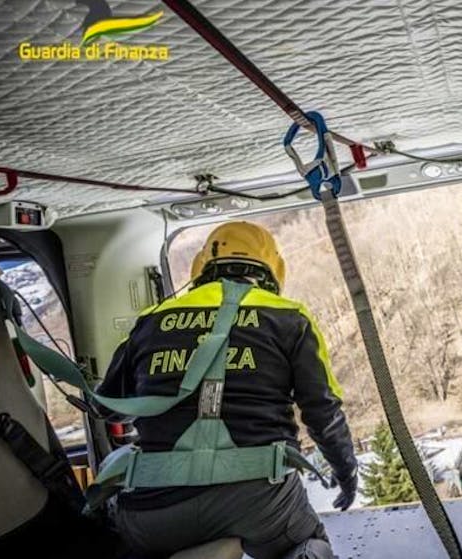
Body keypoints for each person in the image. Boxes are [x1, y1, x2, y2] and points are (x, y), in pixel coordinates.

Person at [96, 221, 357, 559]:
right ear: (273, 271)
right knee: (309, 545)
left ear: (201, 268)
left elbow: (112, 408)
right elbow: (323, 412)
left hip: (152, 512)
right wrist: (345, 472)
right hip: (258, 503)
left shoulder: (152, 319)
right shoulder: (291, 318)